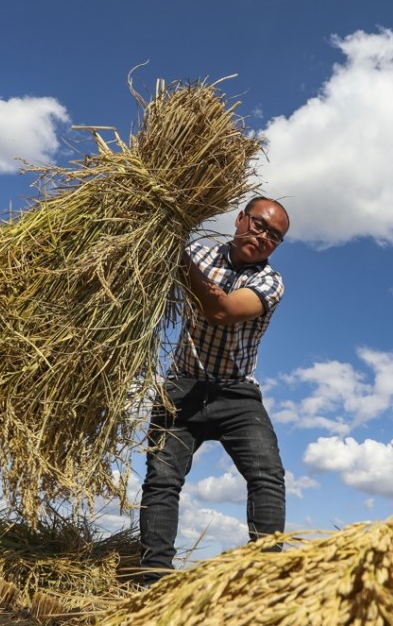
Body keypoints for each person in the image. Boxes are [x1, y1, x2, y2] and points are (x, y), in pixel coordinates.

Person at [137, 196, 290, 587]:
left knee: (267, 475)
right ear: (240, 218)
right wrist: (161, 235)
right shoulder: (197, 252)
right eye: (259, 224)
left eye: (274, 236)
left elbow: (221, 310)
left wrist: (177, 252)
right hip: (182, 388)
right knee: (161, 479)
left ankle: (265, 581)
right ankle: (153, 580)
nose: (263, 237)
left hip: (236, 395)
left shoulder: (270, 282)